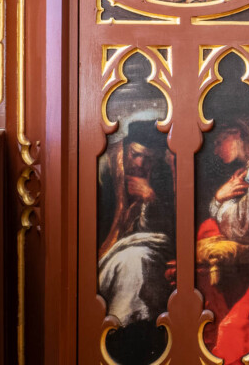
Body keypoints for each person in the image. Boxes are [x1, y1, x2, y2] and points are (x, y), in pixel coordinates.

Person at [97, 120, 174, 364]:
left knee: (141, 261)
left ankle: (139, 336)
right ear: (125, 148)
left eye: (148, 159)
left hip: (147, 247)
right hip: (107, 252)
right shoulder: (104, 169)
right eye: (136, 155)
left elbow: (166, 230)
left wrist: (150, 199)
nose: (141, 164)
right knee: (134, 263)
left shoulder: (161, 173)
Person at [196, 121, 249, 365]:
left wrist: (219, 202)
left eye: (218, 142)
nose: (216, 150)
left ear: (237, 133)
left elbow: (245, 228)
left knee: (236, 334)